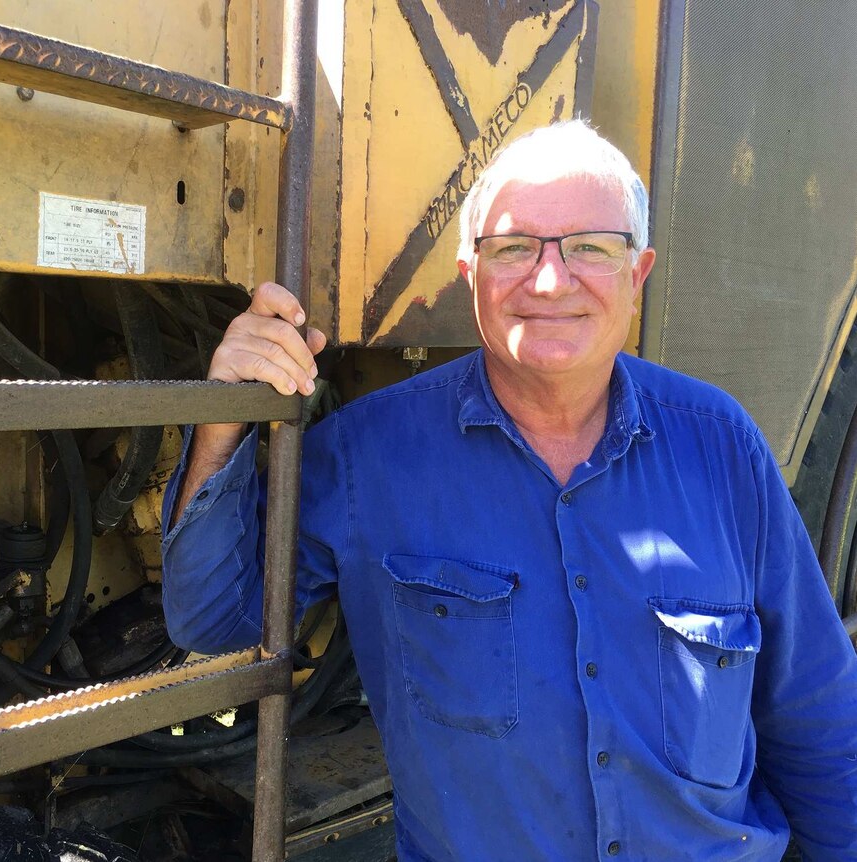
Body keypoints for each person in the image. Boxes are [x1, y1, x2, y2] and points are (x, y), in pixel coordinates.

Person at [161, 120, 857, 861]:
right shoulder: (370, 455)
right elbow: (211, 619)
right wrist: (223, 422)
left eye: (590, 247)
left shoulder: (723, 447)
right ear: (472, 276)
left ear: (638, 273)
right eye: (515, 248)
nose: (551, 280)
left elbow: (814, 712)